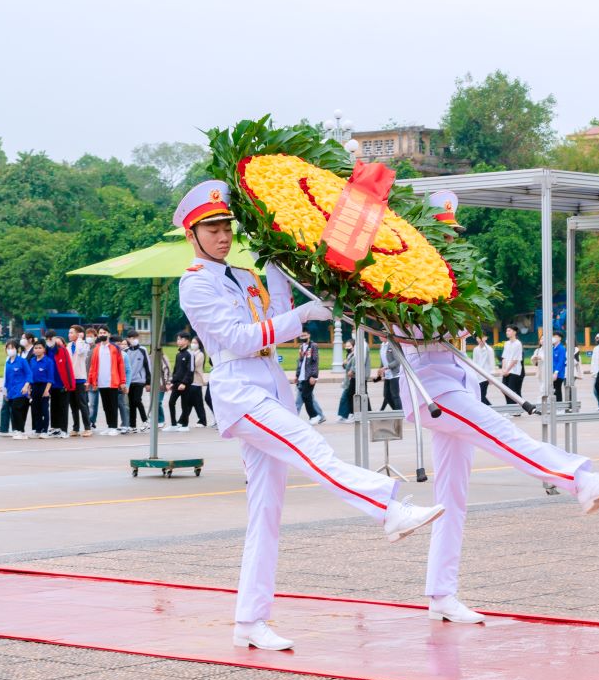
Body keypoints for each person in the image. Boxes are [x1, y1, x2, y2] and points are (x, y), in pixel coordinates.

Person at [175, 179, 443, 651]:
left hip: (268, 388)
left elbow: (272, 315)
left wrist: (279, 266)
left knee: (266, 514)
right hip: (240, 390)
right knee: (314, 450)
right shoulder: (195, 283)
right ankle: (388, 509)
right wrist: (303, 316)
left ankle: (249, 622)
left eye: (225, 227)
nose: (222, 235)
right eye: (211, 228)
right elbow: (240, 339)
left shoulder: (242, 275)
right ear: (191, 234)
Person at [398, 191, 599, 624]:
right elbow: (405, 329)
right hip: (432, 390)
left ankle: (441, 595)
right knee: (507, 436)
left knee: (453, 497)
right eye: (442, 234)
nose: (450, 242)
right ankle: (579, 480)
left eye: (453, 234)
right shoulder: (402, 275)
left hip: (455, 383)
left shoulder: (448, 276)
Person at [88, 329, 126, 435]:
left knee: (113, 405)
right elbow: (93, 366)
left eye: (104, 333)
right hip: (101, 382)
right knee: (106, 406)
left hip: (112, 382)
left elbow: (121, 365)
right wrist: (91, 381)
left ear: (108, 334)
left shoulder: (115, 348)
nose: (102, 334)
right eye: (100, 333)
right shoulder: (96, 349)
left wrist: (122, 381)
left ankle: (114, 427)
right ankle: (109, 426)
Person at [44, 331, 75, 438]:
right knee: (54, 406)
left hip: (62, 383)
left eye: (51, 338)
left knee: (63, 407)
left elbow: (68, 367)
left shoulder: (62, 350)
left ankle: (64, 429)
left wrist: (69, 384)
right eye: (47, 339)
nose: (49, 341)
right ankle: (55, 427)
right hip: (51, 384)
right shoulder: (46, 351)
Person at [2, 339, 32, 440]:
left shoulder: (22, 361)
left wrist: (26, 386)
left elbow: (29, 374)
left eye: (12, 348)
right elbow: (7, 378)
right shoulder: (8, 363)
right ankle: (18, 430)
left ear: (17, 349)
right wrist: (5, 390)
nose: (10, 350)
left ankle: (20, 430)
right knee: (13, 411)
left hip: (20, 390)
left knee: (16, 409)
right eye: (8, 348)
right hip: (11, 391)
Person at [67, 325, 93, 437]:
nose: (69, 335)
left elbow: (80, 351)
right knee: (73, 405)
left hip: (80, 378)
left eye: (72, 332)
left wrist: (80, 339)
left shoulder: (83, 344)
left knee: (82, 404)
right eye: (69, 332)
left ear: (78, 334)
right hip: (71, 379)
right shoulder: (68, 345)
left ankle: (87, 427)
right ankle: (75, 427)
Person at [294, 329, 324, 424]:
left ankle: (314, 416)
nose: (303, 337)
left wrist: (314, 376)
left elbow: (315, 362)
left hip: (309, 376)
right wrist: (297, 375)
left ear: (309, 335)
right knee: (308, 397)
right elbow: (300, 362)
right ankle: (318, 416)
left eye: (305, 335)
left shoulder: (313, 346)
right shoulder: (301, 346)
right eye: (301, 336)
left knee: (305, 396)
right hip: (302, 376)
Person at [28, 340, 53, 437]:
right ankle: (38, 429)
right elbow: (30, 375)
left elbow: (50, 378)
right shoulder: (32, 361)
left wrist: (47, 390)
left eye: (40, 348)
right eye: (36, 348)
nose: (37, 350)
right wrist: (29, 387)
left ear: (44, 350)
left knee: (44, 409)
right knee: (36, 409)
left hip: (44, 386)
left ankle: (45, 430)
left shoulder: (48, 361)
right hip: (34, 386)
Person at [169, 333, 193, 431]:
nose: (178, 341)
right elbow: (176, 370)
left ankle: (185, 425)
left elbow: (190, 370)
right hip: (176, 383)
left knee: (184, 404)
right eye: (177, 339)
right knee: (171, 403)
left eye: (180, 339)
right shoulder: (178, 354)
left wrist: (184, 383)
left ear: (186, 341)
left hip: (185, 384)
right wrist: (172, 382)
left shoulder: (189, 354)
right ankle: (174, 424)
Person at [336, 337, 361, 422]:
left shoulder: (355, 355)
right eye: (346, 346)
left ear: (353, 347)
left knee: (346, 397)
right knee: (346, 397)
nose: (347, 348)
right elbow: (346, 367)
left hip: (352, 380)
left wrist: (347, 365)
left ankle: (348, 415)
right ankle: (344, 415)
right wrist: (344, 364)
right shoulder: (349, 355)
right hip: (347, 380)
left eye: (349, 346)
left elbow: (353, 368)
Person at [499, 325, 524, 408]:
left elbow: (515, 359)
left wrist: (508, 370)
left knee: (511, 391)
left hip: (514, 370)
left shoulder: (518, 343)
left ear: (514, 332)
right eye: (506, 331)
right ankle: (511, 408)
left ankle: (514, 409)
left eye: (509, 330)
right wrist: (503, 369)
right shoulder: (506, 343)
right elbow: (504, 357)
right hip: (506, 370)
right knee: (504, 389)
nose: (507, 332)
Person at [376, 337, 402, 411]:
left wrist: (386, 367)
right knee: (386, 395)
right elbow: (383, 360)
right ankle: (396, 411)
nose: (379, 337)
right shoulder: (382, 345)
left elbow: (398, 361)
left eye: (380, 335)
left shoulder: (392, 345)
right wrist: (380, 369)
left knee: (395, 395)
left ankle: (398, 413)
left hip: (395, 374)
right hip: (387, 375)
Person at [472, 334, 495, 405]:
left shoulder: (489, 350)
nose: (480, 339)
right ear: (476, 339)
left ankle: (491, 409)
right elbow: (474, 362)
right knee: (479, 396)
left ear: (486, 338)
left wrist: (491, 377)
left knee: (482, 396)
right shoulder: (475, 349)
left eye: (482, 337)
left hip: (485, 377)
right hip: (477, 376)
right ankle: (491, 408)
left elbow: (492, 363)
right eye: (479, 337)